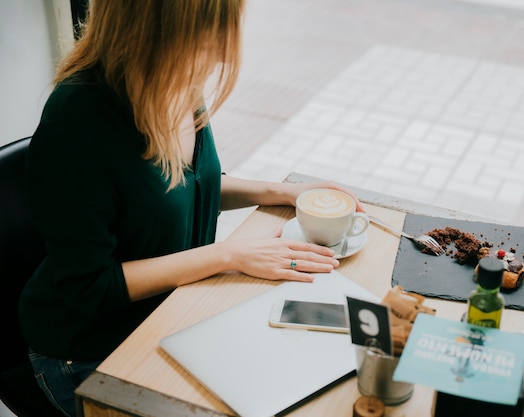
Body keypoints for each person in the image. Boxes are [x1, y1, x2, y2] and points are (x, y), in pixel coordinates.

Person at [18, 1, 361, 416]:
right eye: (213, 31)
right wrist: (229, 255)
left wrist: (280, 192)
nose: (222, 52)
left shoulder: (178, 80)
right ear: (161, 29)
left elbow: (187, 187)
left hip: (172, 314)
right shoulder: (77, 120)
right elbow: (90, 287)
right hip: (89, 352)